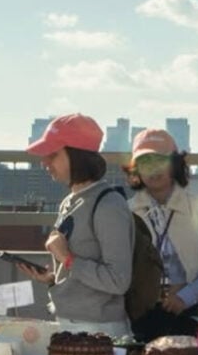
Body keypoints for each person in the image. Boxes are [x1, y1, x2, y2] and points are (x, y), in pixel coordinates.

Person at [18, 114, 134, 337]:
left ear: (76, 156)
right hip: (69, 325)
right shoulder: (70, 201)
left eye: (53, 154)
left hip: (100, 332)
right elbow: (78, 273)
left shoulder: (108, 204)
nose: (45, 162)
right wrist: (53, 279)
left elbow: (119, 281)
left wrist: (68, 259)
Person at [124, 128, 198, 341]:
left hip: (187, 312)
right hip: (139, 314)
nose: (153, 169)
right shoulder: (127, 211)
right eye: (145, 162)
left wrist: (185, 296)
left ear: (175, 163)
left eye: (159, 160)